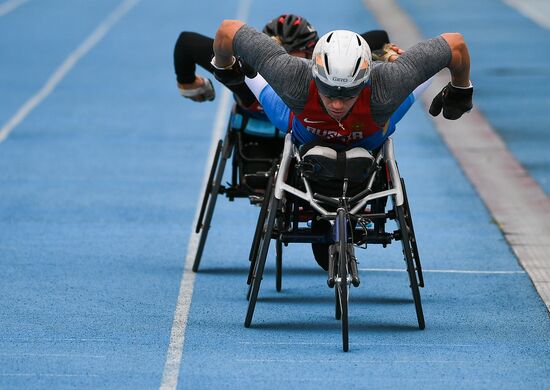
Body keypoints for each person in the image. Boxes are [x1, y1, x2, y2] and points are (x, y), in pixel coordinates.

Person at [209, 20, 473, 269]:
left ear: (367, 78)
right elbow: (227, 30)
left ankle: (392, 57)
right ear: (315, 75)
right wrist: (225, 67)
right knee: (252, 76)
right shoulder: (293, 76)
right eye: (328, 91)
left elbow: (456, 44)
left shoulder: (387, 84)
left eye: (347, 93)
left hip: (366, 118)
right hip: (310, 126)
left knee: (410, 76)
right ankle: (390, 56)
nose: (337, 104)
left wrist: (461, 90)